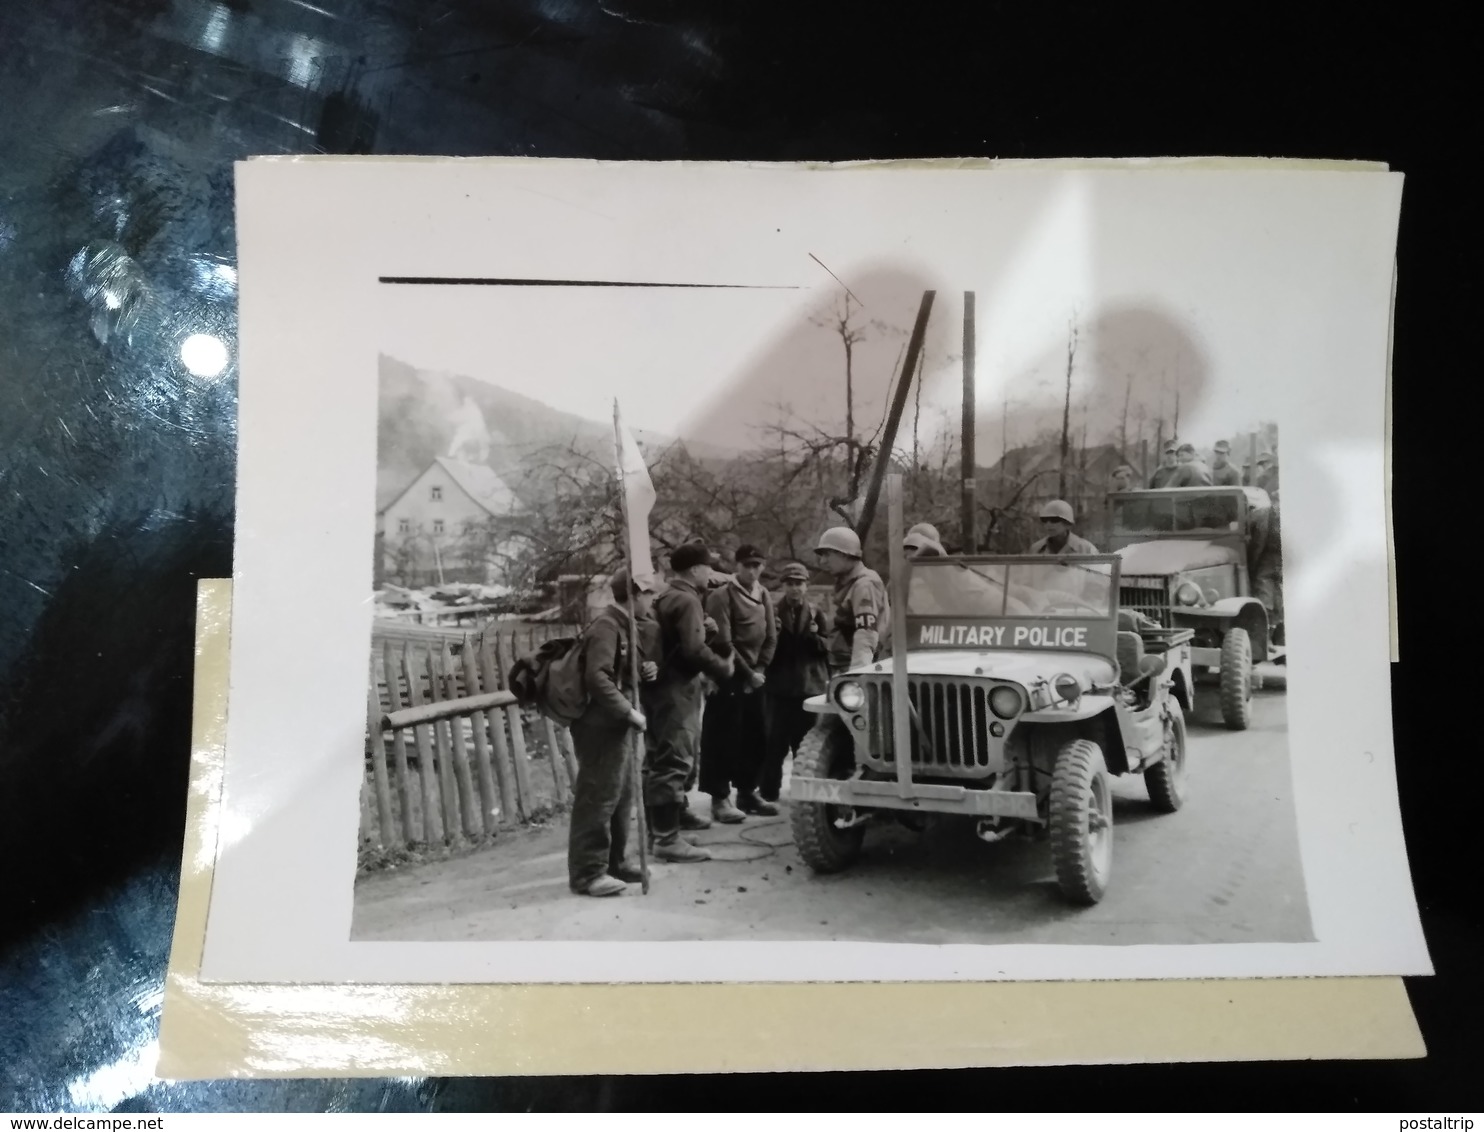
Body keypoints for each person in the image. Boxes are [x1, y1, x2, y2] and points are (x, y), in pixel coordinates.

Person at [566, 566, 658, 897]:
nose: (653, 599)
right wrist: (629, 710)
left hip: (617, 725)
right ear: (634, 595)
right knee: (599, 797)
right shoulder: (606, 626)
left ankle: (615, 862)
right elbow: (597, 677)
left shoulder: (625, 625)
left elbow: (619, 671)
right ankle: (587, 874)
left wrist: (645, 671)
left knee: (622, 795)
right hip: (599, 725)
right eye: (649, 593)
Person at [644, 541, 734, 862]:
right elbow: (693, 651)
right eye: (707, 567)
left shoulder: (664, 596)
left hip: (657, 688)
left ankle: (665, 828)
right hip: (676, 689)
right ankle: (667, 839)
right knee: (675, 759)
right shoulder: (686, 600)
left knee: (657, 757)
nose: (710, 573)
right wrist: (724, 668)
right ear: (695, 569)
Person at [699, 544, 779, 821]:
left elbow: (771, 635)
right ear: (737, 566)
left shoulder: (764, 593)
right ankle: (719, 799)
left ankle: (747, 793)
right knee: (722, 737)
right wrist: (748, 674)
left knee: (756, 736)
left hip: (755, 678)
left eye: (758, 565)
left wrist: (761, 670)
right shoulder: (722, 595)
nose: (753, 570)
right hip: (729, 677)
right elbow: (723, 641)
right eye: (747, 565)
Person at [761, 561, 830, 805]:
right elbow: (765, 648)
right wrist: (775, 635)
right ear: (783, 586)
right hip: (779, 689)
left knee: (806, 746)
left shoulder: (816, 613)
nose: (794, 589)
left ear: (806, 585)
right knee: (774, 744)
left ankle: (805, 796)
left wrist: (814, 637)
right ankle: (769, 793)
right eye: (790, 584)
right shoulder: (771, 611)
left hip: (808, 689)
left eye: (799, 584)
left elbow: (826, 648)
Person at [815, 527, 890, 671]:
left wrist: (857, 675)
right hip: (843, 665)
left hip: (859, 667)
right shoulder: (848, 583)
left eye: (827, 554)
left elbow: (866, 634)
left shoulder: (864, 585)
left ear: (844, 554)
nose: (823, 561)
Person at [1029, 500, 1099, 555]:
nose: (1048, 524)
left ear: (1067, 523)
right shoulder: (1036, 549)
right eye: (1044, 520)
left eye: (1054, 520)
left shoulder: (1086, 549)